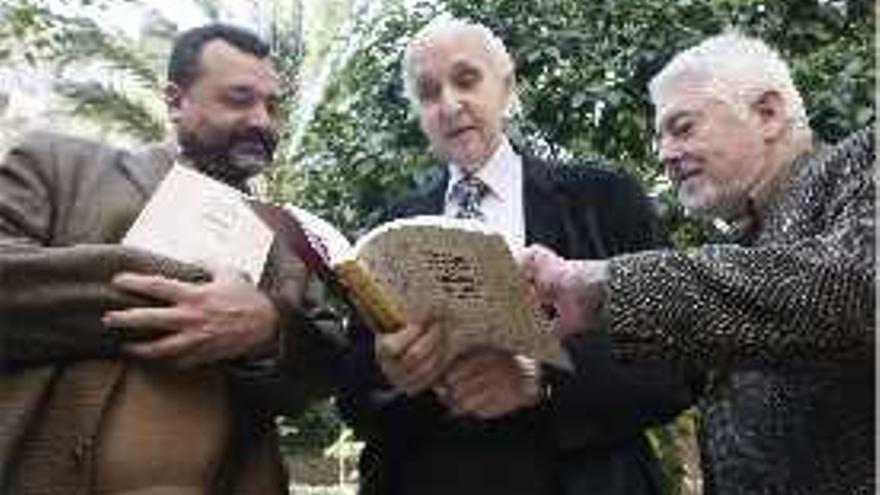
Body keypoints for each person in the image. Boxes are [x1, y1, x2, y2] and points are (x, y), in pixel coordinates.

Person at [337, 17, 694, 495]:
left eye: (466, 80)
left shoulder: (605, 200)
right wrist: (390, 369)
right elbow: (354, 394)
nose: (448, 104)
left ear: (506, 86)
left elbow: (680, 362)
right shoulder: (389, 228)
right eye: (428, 92)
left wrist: (541, 377)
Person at [521, 32, 875, 495]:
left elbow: (854, 289)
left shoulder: (865, 161)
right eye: (660, 137)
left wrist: (602, 284)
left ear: (767, 114)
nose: (665, 154)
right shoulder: (745, 247)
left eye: (683, 128)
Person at [0, 24, 345, 494]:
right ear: (175, 99)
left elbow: (322, 368)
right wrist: (193, 295)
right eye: (239, 99)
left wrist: (267, 327)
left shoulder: (287, 238)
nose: (263, 121)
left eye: (272, 106)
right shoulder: (60, 166)